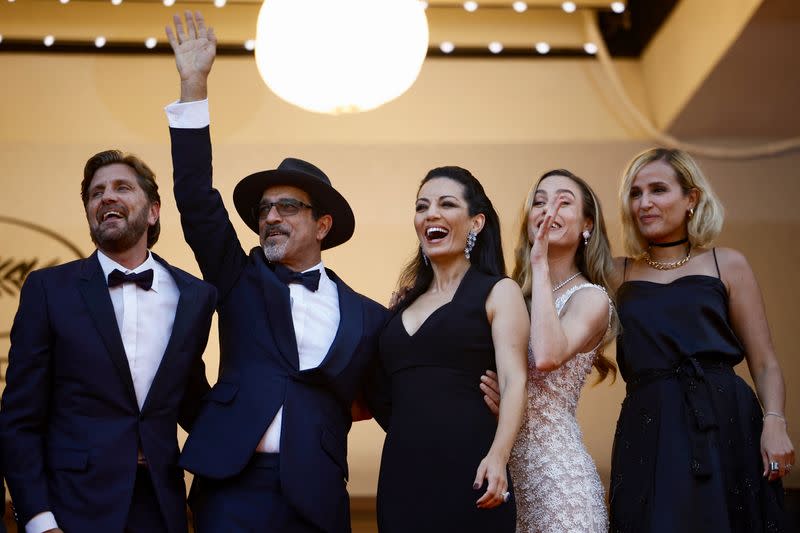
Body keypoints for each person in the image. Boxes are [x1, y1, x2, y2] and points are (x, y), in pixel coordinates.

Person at [164, 12, 390, 533]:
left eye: (288, 207)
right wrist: (193, 85)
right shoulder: (238, 276)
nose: (270, 216)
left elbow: (389, 402)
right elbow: (197, 200)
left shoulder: (368, 317)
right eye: (264, 209)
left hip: (318, 492)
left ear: (323, 223)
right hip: (230, 486)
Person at [0, 150, 217, 533]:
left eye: (122, 187)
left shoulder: (195, 297)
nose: (106, 197)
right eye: (96, 193)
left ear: (153, 211)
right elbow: (19, 418)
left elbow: (191, 402)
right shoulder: (48, 290)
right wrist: (37, 518)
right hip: (72, 505)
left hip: (161, 507)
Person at [609, 148, 794, 532]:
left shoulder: (726, 263)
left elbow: (764, 363)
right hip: (649, 424)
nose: (644, 203)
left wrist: (775, 422)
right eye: (635, 193)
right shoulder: (616, 272)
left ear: (691, 198)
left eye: (658, 190)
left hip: (725, 421)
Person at [373, 166, 528, 532]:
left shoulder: (498, 291)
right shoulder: (402, 305)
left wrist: (498, 455)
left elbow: (514, 379)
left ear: (476, 223)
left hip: (471, 468)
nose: (431, 214)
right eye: (422, 206)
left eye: (446, 204)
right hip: (401, 475)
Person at [508, 169, 618, 532]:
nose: (548, 209)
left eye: (563, 202)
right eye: (540, 201)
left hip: (559, 480)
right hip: (510, 482)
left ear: (587, 224)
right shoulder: (512, 298)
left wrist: (539, 263)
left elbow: (546, 355)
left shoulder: (591, 298)